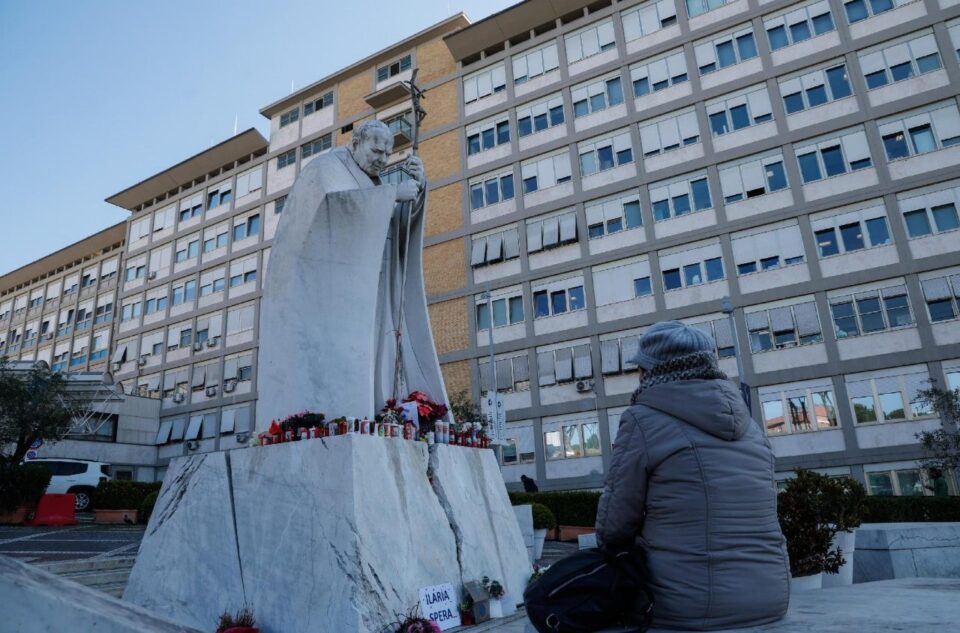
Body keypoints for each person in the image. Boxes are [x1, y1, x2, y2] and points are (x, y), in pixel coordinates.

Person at [595, 321, 789, 630]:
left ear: (651, 370)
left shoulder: (641, 419)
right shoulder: (749, 425)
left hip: (685, 604)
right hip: (771, 597)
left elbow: (614, 524)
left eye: (640, 369)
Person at [257, 120, 449, 428]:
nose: (382, 160)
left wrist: (417, 191)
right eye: (376, 151)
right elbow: (329, 213)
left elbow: (393, 230)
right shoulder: (326, 169)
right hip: (338, 298)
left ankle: (383, 410)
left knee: (382, 354)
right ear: (356, 142)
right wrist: (390, 195)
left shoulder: (371, 181)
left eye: (387, 155)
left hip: (376, 285)